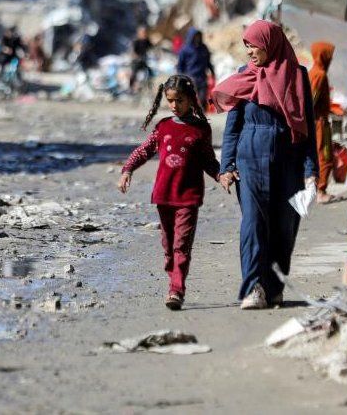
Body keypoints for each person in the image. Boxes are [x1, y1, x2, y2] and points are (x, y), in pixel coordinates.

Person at [213, 20, 318, 310]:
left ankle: (274, 288)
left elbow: (308, 128)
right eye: (245, 44)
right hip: (250, 160)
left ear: (270, 43)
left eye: (253, 44)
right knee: (253, 225)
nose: (248, 51)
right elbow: (233, 127)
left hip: (290, 163)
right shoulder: (244, 77)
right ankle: (253, 288)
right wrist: (226, 166)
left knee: (285, 227)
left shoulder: (297, 77)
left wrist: (311, 172)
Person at [118, 75, 220, 311]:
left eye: (180, 100)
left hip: (188, 197)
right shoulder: (163, 126)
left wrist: (221, 175)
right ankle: (172, 276)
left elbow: (208, 160)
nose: (175, 106)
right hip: (164, 195)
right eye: (170, 100)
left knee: (181, 245)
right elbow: (144, 150)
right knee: (168, 246)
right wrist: (127, 170)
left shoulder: (200, 129)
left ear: (191, 100)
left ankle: (176, 289)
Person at [309, 41, 336, 204]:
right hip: (319, 122)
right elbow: (311, 100)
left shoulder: (313, 72)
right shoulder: (319, 75)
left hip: (317, 120)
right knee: (325, 155)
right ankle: (321, 190)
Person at [176, 28, 215, 104]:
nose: (197, 38)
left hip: (202, 77)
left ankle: (202, 114)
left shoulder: (203, 48)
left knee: (203, 99)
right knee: (190, 99)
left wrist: (213, 73)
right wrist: (181, 77)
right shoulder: (185, 49)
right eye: (195, 36)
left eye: (198, 36)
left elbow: (208, 62)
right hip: (190, 77)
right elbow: (180, 65)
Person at [129, 25, 153, 93]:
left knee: (150, 72)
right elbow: (133, 52)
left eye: (145, 32)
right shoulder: (136, 41)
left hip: (144, 60)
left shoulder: (147, 41)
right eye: (143, 32)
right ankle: (131, 88)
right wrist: (137, 57)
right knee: (134, 73)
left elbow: (152, 47)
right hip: (136, 61)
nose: (144, 34)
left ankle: (149, 87)